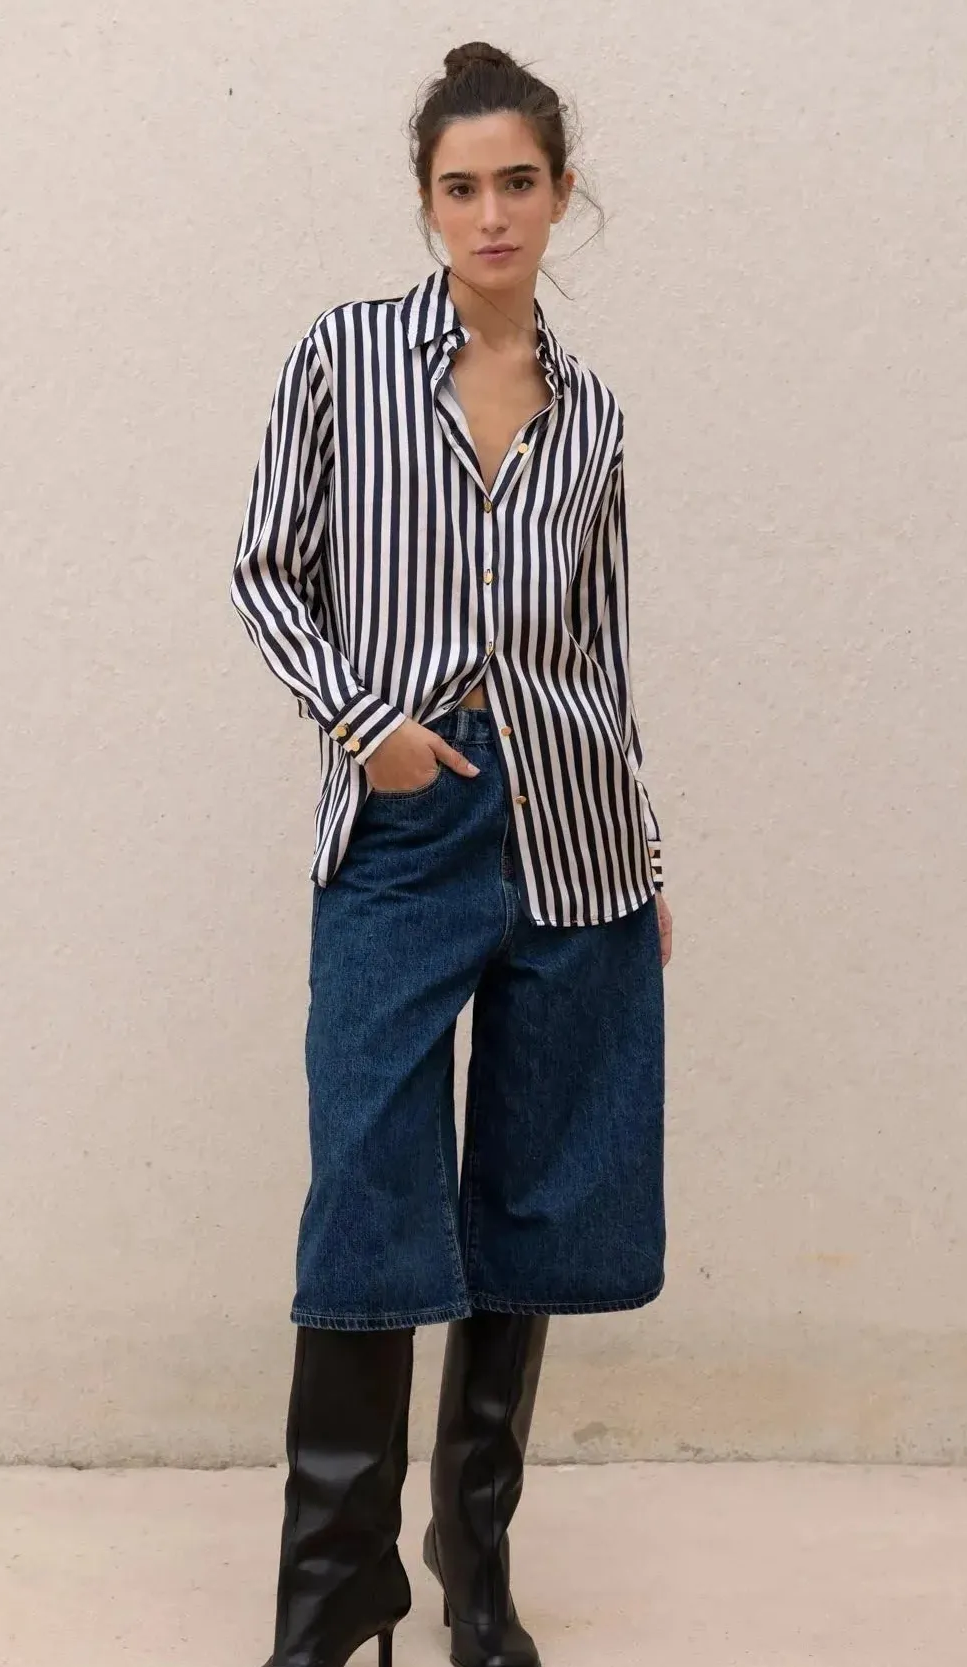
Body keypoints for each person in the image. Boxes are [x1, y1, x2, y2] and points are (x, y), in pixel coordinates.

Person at [230, 39, 673, 1667]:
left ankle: (473, 1564)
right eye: (460, 185)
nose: (492, 213)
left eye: (519, 182)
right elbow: (265, 569)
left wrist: (645, 849)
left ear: (563, 195)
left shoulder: (594, 417)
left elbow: (600, 651)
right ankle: (334, 1587)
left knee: (533, 1198)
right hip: (406, 826)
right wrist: (374, 730)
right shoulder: (345, 358)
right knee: (365, 1185)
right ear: (426, 202)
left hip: (572, 832)